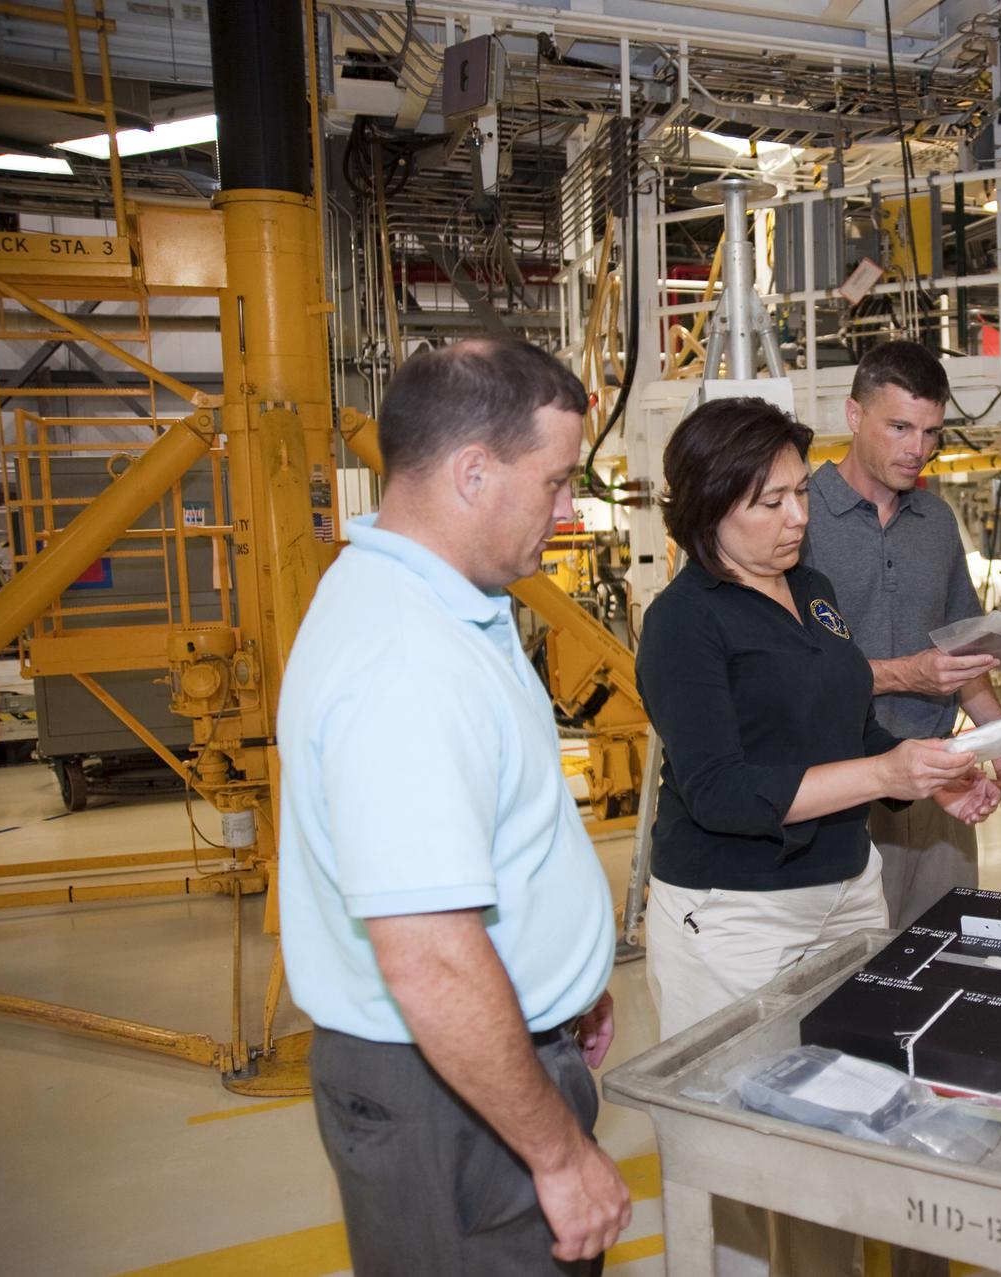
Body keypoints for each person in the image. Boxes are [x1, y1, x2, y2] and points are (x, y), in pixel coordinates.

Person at [277, 339, 629, 1275]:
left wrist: (566, 980)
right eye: (555, 481)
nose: (568, 510)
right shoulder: (407, 662)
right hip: (452, 1097)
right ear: (473, 472)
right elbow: (430, 958)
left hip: (479, 1062)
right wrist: (559, 1155)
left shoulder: (441, 603)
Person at [635, 396, 999, 1277]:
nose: (798, 516)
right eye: (770, 502)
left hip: (844, 892)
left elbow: (846, 725)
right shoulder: (684, 621)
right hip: (737, 917)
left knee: (839, 1132)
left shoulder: (813, 592)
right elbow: (721, 791)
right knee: (742, 1157)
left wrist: (930, 773)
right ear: (708, 508)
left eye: (800, 492)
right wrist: (881, 776)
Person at [803, 341, 1001, 927]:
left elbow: (961, 650)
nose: (918, 449)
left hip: (938, 781)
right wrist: (909, 673)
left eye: (931, 432)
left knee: (943, 946)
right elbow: (789, 673)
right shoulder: (800, 517)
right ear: (854, 415)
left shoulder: (936, 522)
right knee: (849, 964)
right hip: (838, 788)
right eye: (900, 427)